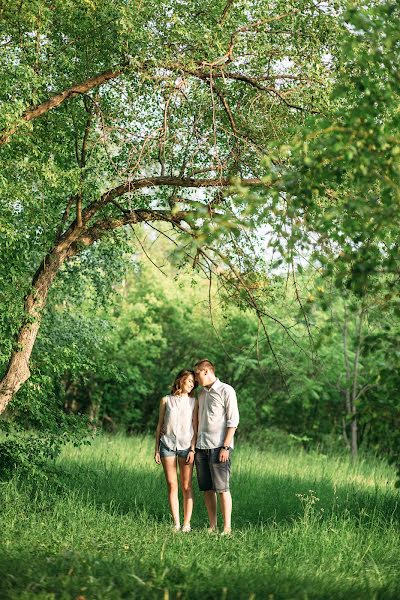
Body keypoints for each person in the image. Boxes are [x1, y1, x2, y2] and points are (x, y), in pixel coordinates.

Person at [193, 359, 239, 535]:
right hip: (201, 446)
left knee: (222, 488)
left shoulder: (226, 390)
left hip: (219, 447)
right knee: (207, 489)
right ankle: (212, 526)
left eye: (197, 374)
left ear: (206, 371)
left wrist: (225, 447)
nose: (195, 379)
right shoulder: (202, 393)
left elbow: (233, 420)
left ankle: (227, 528)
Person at [154, 369, 197, 532]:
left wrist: (193, 449)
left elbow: (195, 426)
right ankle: (176, 523)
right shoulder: (166, 400)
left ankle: (187, 524)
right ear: (180, 380)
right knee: (172, 485)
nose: (192, 384)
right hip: (167, 446)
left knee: (186, 486)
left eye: (194, 382)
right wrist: (157, 448)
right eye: (189, 381)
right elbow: (160, 425)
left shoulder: (194, 402)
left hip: (186, 447)